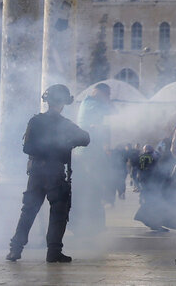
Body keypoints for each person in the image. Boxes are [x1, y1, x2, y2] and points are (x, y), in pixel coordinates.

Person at [6, 84, 90, 263]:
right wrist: (63, 143)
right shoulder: (65, 124)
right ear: (63, 103)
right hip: (55, 172)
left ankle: (15, 249)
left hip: (36, 171)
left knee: (28, 211)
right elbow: (85, 138)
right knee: (58, 213)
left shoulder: (35, 121)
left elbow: (27, 147)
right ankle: (53, 252)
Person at [71, 82, 113, 236]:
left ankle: (92, 224)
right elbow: (108, 117)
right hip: (88, 153)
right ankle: (89, 224)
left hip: (88, 151)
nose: (108, 98)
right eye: (107, 94)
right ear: (98, 92)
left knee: (92, 188)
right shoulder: (91, 103)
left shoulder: (90, 103)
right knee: (91, 188)